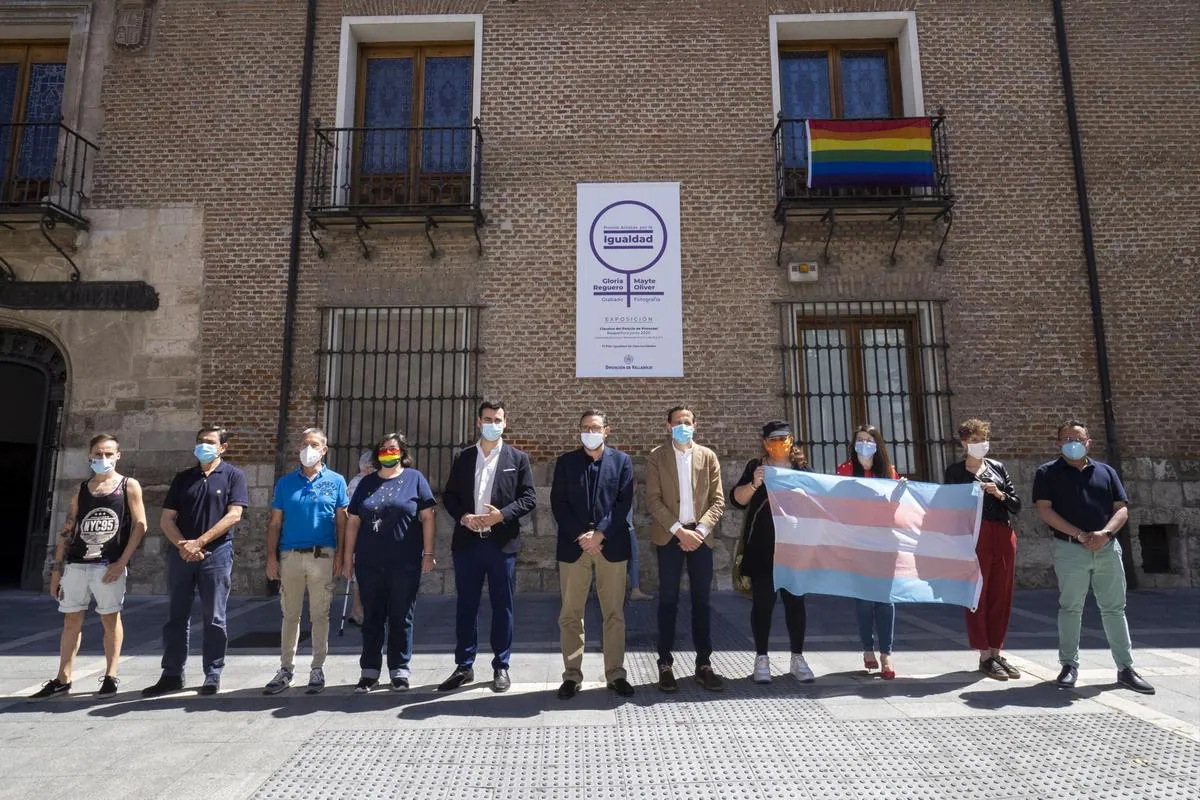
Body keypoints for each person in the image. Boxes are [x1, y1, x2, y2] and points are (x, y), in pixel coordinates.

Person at [1033, 419, 1154, 694]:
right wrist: (1079, 535)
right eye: (1066, 438)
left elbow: (1121, 508)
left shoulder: (1106, 472)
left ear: (1089, 442)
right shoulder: (1047, 473)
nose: (1073, 443)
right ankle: (1068, 666)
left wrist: (1106, 534)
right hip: (1070, 549)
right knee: (1071, 608)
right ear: (1058, 442)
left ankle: (1125, 668)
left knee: (1114, 609)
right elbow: (1045, 510)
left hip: (1107, 549)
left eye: (1078, 438)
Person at [31, 434, 147, 699]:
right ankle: (63, 677)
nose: (102, 459)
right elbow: (68, 530)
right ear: (90, 456)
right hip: (76, 564)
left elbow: (140, 525)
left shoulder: (128, 486)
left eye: (108, 454)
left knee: (110, 618)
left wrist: (122, 562)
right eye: (98, 454)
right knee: (71, 619)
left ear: (118, 456)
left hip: (108, 564)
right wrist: (56, 571)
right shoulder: (81, 489)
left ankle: (111, 675)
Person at [143, 426, 249, 697]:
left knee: (214, 616)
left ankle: (212, 673)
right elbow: (167, 518)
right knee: (176, 616)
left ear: (223, 447)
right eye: (201, 441)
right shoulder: (183, 478)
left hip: (217, 554)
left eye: (210, 442)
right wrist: (183, 545)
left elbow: (234, 515)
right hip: (182, 555)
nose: (204, 446)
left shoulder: (234, 476)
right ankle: (171, 673)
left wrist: (199, 543)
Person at [438, 402, 536, 693]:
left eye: (498, 419)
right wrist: (464, 517)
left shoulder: (518, 458)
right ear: (478, 423)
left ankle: (501, 666)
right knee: (466, 606)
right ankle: (464, 666)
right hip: (468, 544)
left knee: (502, 606)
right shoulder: (464, 457)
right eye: (488, 419)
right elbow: (450, 496)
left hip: (501, 545)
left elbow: (529, 498)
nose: (493, 423)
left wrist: (501, 515)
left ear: (505, 423)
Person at [341, 433, 437, 692]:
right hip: (369, 562)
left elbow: (427, 517)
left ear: (402, 452)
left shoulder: (415, 479)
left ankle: (399, 670)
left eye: (393, 448)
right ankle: (369, 671)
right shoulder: (366, 483)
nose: (388, 452)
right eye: (383, 449)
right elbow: (353, 522)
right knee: (371, 617)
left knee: (401, 616)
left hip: (404, 562)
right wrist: (347, 559)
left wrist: (428, 554)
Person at [551, 410, 636, 699]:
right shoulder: (565, 463)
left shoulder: (622, 462)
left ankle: (615, 674)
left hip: (610, 546)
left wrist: (600, 534)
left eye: (596, 427)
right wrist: (582, 536)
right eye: (586, 427)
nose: (591, 431)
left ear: (606, 430)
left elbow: (623, 504)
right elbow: (559, 504)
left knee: (614, 613)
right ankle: (572, 676)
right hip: (574, 548)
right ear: (579, 431)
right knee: (571, 614)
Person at [262, 428, 349, 695]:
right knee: (290, 614)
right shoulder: (286, 483)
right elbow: (275, 523)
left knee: (321, 614)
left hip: (323, 555)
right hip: (290, 556)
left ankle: (317, 668)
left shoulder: (336, 481)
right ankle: (286, 668)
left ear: (324, 450)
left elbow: (342, 522)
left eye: (313, 444)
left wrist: (342, 556)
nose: (307, 448)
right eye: (304, 443)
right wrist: (271, 557)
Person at [645, 405, 726, 692]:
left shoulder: (708, 457)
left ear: (695, 424)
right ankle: (665, 665)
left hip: (701, 537)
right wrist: (679, 531)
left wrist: (700, 531)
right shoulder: (657, 457)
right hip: (670, 538)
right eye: (677, 422)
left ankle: (703, 664)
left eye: (687, 422)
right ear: (667, 426)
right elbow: (653, 500)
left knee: (701, 602)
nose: (683, 426)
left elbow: (718, 501)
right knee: (668, 601)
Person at [730, 420, 814, 684]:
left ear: (791, 441)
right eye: (773, 440)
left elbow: (819, 503)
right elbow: (737, 499)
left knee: (795, 605)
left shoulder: (802, 469)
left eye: (783, 439)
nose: (778, 444)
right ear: (765, 442)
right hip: (763, 549)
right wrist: (754, 484)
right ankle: (761, 658)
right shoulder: (756, 468)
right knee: (763, 605)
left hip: (794, 550)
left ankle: (797, 657)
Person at [944, 418, 1022, 681]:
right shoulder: (955, 472)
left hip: (1002, 532)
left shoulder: (998, 468)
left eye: (984, 439)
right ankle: (984, 654)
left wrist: (999, 493)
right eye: (975, 440)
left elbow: (1016, 504)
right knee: (979, 594)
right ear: (964, 443)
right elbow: (949, 506)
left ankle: (997, 651)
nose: (981, 444)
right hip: (975, 536)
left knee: (1002, 593)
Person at [837, 424, 900, 680]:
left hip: (885, 544)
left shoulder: (889, 472)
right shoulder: (844, 471)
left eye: (869, 440)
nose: (864, 444)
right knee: (863, 601)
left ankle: (886, 653)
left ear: (878, 444)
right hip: (858, 544)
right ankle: (867, 648)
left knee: (885, 601)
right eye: (859, 440)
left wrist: (901, 490)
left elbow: (897, 509)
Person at [344, 450, 374, 626]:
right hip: (361, 534)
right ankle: (358, 610)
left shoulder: (358, 482)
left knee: (360, 575)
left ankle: (361, 610)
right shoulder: (358, 483)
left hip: (365, 534)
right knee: (358, 575)